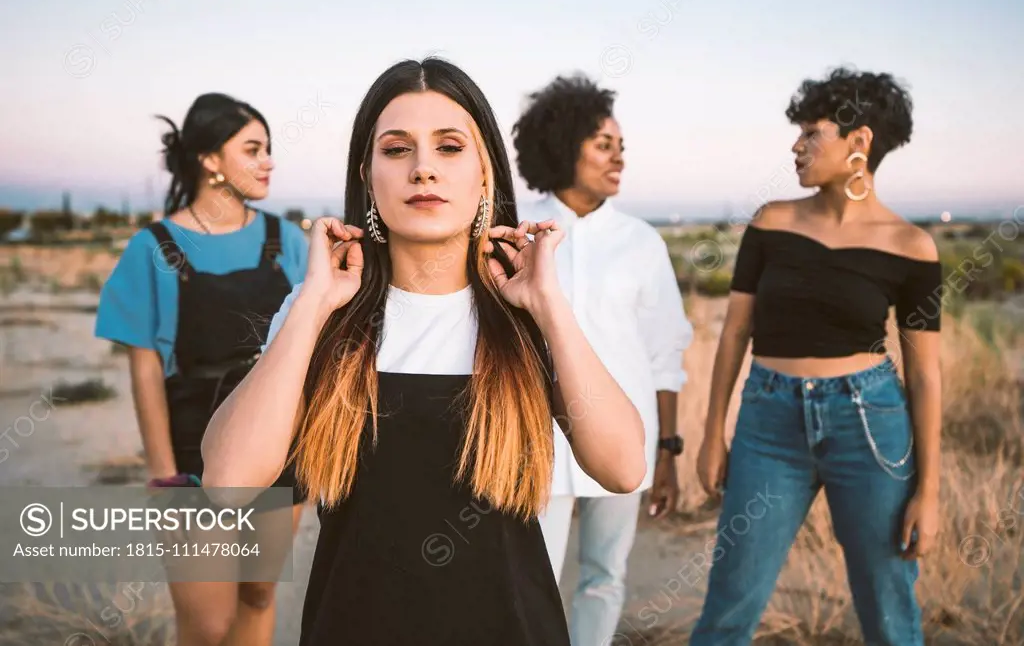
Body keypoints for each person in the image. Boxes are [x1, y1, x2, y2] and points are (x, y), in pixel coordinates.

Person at [198, 57, 649, 646]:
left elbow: (622, 468)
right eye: (396, 149)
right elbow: (229, 481)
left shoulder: (529, 316)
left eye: (450, 147)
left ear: (485, 173)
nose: (423, 170)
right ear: (367, 174)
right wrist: (311, 306)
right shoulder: (319, 315)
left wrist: (549, 307)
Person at [689, 67, 942, 645]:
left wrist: (929, 490)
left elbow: (925, 375)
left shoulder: (912, 247)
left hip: (871, 426)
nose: (796, 146)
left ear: (860, 143)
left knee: (889, 612)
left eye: (812, 133)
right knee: (728, 607)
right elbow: (734, 334)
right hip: (767, 424)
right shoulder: (771, 221)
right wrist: (712, 434)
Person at [95, 92, 310, 646]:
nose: (269, 162)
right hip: (194, 451)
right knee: (208, 624)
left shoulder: (285, 241)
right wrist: (164, 474)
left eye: (269, 149)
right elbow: (145, 373)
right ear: (211, 160)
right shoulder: (154, 247)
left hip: (281, 442)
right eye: (253, 149)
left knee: (258, 594)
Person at [511, 74, 693, 645]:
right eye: (602, 144)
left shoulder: (641, 241)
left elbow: (665, 352)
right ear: (563, 145)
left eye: (621, 148)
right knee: (529, 578)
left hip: (624, 435)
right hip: (536, 438)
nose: (618, 159)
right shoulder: (518, 229)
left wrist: (666, 453)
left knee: (605, 578)